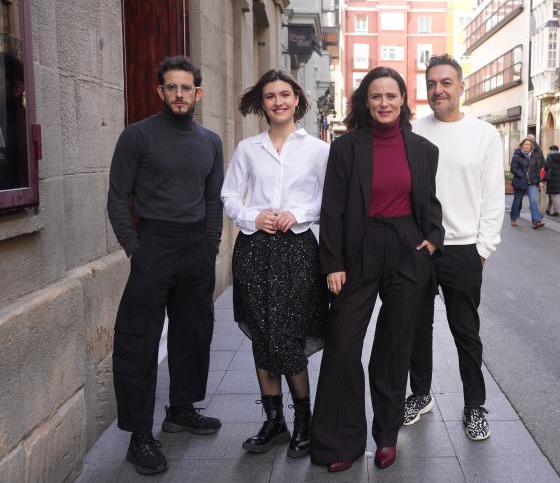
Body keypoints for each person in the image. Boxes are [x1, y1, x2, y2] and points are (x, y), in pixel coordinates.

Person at [311, 66, 444, 472]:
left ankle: (386, 437)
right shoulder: (347, 147)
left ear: (403, 100)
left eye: (391, 96)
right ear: (365, 102)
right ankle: (341, 442)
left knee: (394, 347)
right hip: (359, 247)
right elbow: (331, 209)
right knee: (342, 344)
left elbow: (429, 202)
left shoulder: (423, 150)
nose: (383, 103)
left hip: (407, 248)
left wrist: (433, 238)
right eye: (376, 96)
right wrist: (332, 262)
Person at [107, 56, 223, 476]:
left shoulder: (210, 141)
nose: (179, 94)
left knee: (194, 332)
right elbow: (118, 198)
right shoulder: (137, 137)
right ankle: (140, 434)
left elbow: (214, 199)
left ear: (198, 93)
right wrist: (135, 249)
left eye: (186, 87)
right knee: (139, 340)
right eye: (171, 87)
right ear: (160, 92)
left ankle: (181, 408)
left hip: (196, 247)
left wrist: (210, 245)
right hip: (153, 244)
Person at [221, 70, 329, 458]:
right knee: (263, 334)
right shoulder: (248, 148)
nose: (278, 101)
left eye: (285, 94)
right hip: (254, 250)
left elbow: (328, 200)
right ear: (262, 103)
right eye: (270, 96)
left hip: (298, 250)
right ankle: (273, 421)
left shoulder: (318, 150)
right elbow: (229, 196)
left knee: (288, 334)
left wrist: (296, 213)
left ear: (297, 99)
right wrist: (253, 217)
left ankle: (303, 419)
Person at [404, 54, 504, 441]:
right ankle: (420, 394)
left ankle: (475, 406)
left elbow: (493, 196)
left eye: (446, 82)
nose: (437, 90)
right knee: (417, 327)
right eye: (431, 84)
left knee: (465, 330)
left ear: (461, 87)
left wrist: (483, 249)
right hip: (419, 247)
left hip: (463, 249)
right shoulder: (413, 131)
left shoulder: (484, 134)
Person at [509, 137, 545, 229]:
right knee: (518, 201)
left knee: (533, 201)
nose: (527, 146)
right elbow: (513, 169)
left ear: (531, 146)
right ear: (522, 145)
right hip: (520, 181)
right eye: (525, 144)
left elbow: (537, 170)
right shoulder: (517, 156)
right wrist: (523, 175)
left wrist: (540, 181)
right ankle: (513, 218)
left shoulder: (534, 156)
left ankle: (536, 221)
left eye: (529, 144)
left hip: (532, 181)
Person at [544, 144, 560, 217]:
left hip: (551, 177)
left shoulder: (550, 157)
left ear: (551, 150)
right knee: (552, 193)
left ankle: (556, 211)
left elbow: (546, 167)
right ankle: (547, 209)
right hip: (558, 177)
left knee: (552, 194)